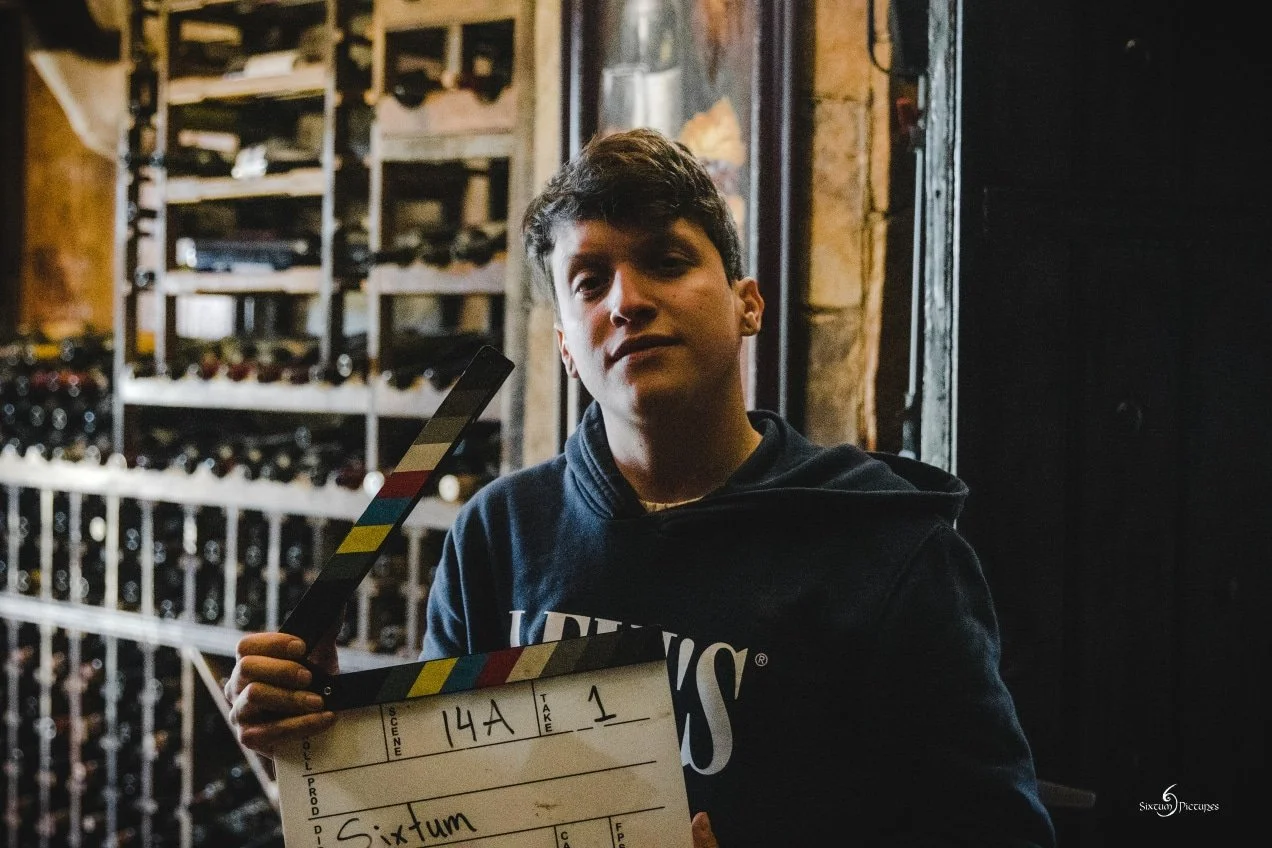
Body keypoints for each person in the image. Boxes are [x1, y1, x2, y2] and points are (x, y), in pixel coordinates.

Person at [224, 127, 1056, 847]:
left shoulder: (892, 551)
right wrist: (321, 740)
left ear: (747, 304)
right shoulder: (498, 533)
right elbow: (453, 805)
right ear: (565, 345)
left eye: (666, 261)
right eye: (589, 281)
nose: (626, 300)